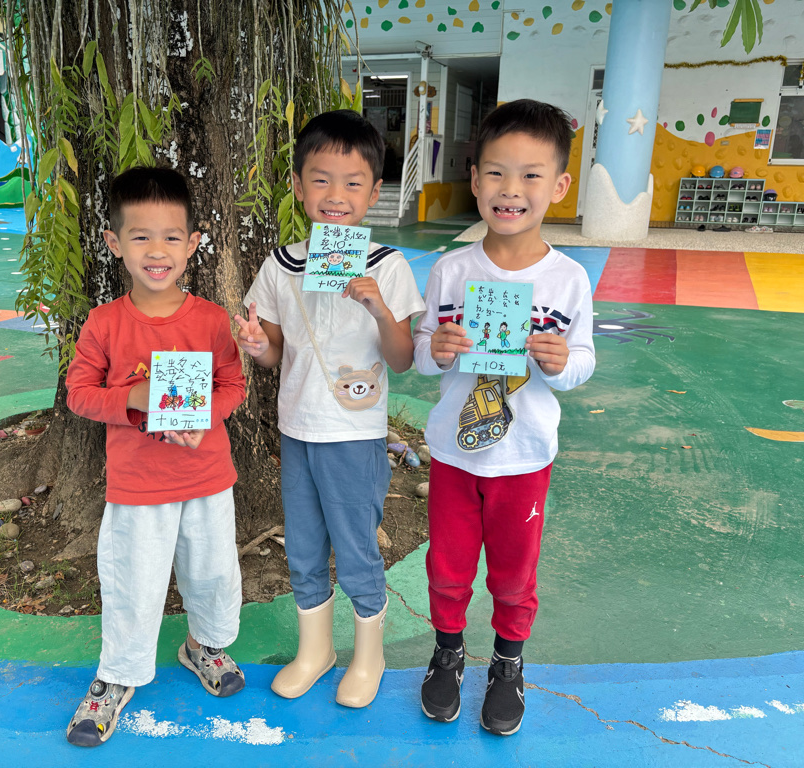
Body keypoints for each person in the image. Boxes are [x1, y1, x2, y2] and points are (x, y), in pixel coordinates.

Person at [413, 99, 595, 735]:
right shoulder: (452, 269)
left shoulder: (569, 279)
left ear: (560, 186)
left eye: (530, 175)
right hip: (454, 452)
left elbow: (583, 361)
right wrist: (436, 349)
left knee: (515, 575)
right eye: (495, 172)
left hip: (525, 457)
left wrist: (561, 364)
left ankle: (508, 663)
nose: (510, 190)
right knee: (447, 567)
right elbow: (423, 355)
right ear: (474, 179)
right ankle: (448, 653)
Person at [234, 109, 424, 708]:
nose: (335, 196)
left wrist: (380, 309)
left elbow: (402, 359)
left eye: (352, 183)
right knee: (305, 546)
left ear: (374, 192)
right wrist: (257, 345)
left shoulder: (388, 266)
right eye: (320, 179)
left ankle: (369, 655)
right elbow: (274, 354)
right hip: (297, 430)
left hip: (355, 435)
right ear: (297, 185)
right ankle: (315, 650)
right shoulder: (279, 265)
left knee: (357, 546)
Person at [64, 166, 247, 746]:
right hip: (139, 485)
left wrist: (204, 416)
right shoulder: (105, 323)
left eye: (171, 236)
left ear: (193, 244)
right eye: (140, 236)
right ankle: (116, 676)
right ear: (115, 243)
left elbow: (233, 385)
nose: (157, 251)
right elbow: (78, 395)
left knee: (213, 571)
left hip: (207, 476)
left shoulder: (211, 320)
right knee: (133, 583)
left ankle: (203, 645)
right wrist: (135, 398)